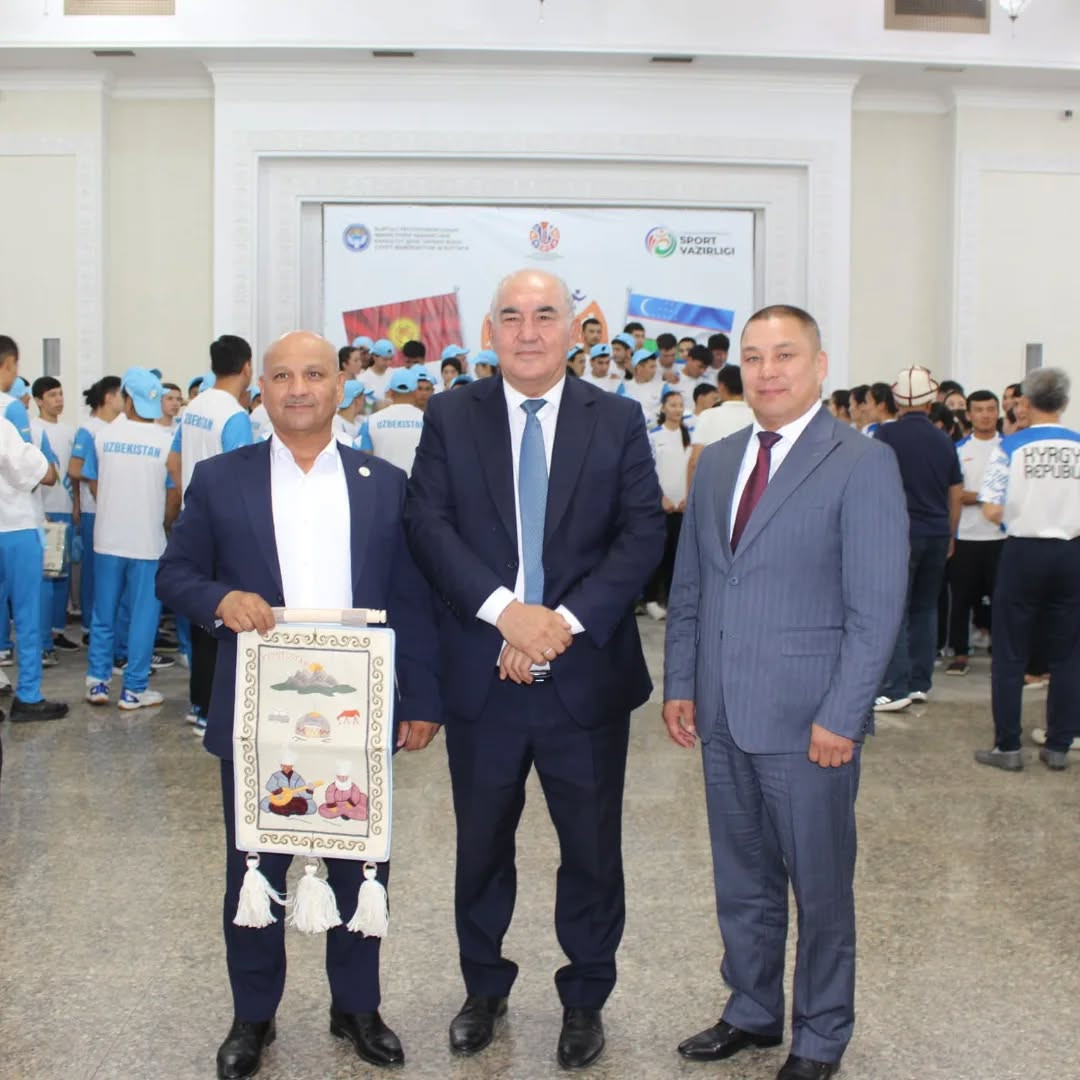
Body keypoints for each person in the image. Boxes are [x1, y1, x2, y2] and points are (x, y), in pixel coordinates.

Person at [156, 330, 441, 1079]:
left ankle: (357, 1007)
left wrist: (423, 697)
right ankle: (253, 1016)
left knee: (360, 864)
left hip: (358, 713)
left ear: (340, 386)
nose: (298, 389)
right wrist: (221, 599)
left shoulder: (384, 482)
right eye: (282, 376)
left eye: (314, 374)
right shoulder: (222, 479)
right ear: (263, 390)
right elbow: (175, 574)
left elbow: (412, 597)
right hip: (260, 715)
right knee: (255, 865)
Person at [405, 269, 664, 1070]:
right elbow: (427, 522)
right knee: (481, 844)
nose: (527, 331)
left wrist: (558, 625)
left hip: (584, 678)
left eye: (544, 314)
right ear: (489, 332)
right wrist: (505, 613)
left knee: (591, 850)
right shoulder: (452, 415)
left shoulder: (616, 418)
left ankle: (585, 997)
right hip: (483, 676)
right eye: (511, 316)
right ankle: (484, 987)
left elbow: (642, 533)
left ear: (574, 329)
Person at [663, 304, 907, 1080]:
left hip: (810, 722)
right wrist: (681, 681)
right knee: (743, 879)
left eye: (786, 355)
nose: (768, 371)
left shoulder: (861, 462)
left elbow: (877, 607)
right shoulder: (719, 460)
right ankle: (752, 1009)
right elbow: (692, 584)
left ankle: (822, 1035)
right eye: (755, 356)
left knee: (821, 888)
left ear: (820, 366)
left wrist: (844, 714)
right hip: (722, 712)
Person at [974, 367, 1080, 772]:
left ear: (1026, 403)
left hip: (1023, 552)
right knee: (1068, 653)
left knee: (1011, 652)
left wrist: (1018, 517)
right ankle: (1059, 744)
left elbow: (991, 508)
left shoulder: (1012, 446)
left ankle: (1008, 746)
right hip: (1071, 552)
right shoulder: (1078, 445)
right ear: (1064, 403)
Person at [168, 335, 255, 733]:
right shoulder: (234, 416)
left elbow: (173, 461)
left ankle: (198, 703)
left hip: (194, 520)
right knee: (224, 617)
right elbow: (241, 478)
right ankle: (214, 710)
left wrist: (188, 502)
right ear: (247, 367)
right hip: (224, 529)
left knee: (201, 614)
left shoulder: (195, 407)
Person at [81, 368, 179, 710]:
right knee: (143, 618)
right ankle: (134, 688)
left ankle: (97, 682)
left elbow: (92, 479)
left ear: (126, 399)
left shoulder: (103, 436)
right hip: (148, 543)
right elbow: (174, 495)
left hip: (107, 538)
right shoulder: (167, 442)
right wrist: (163, 523)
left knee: (103, 613)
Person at [871, 366, 962, 712]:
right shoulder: (943, 439)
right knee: (925, 607)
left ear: (897, 401)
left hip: (898, 534)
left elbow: (872, 485)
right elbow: (955, 493)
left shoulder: (885, 435)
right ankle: (920, 682)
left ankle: (894, 687)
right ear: (931, 401)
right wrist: (950, 533)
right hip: (936, 532)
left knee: (895, 609)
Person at [0, 337, 68, 721]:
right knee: (26, 615)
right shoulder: (9, 413)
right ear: (8, 365)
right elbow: (40, 473)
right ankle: (27, 695)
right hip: (15, 527)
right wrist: (46, 466)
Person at [947, 390, 1003, 676]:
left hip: (1001, 537)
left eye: (990, 409)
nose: (985, 415)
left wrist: (975, 496)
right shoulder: (958, 449)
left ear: (998, 412)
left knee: (1002, 599)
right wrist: (987, 496)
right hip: (966, 536)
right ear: (968, 415)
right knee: (961, 599)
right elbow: (955, 494)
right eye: (979, 410)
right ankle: (960, 653)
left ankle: (1003, 652)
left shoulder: (1008, 447)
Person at [69, 376, 124, 647]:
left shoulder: (119, 428)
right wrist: (81, 501)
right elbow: (74, 469)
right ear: (109, 397)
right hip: (95, 510)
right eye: (121, 395)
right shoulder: (89, 429)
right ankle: (90, 626)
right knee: (93, 571)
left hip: (116, 511)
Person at [644, 388, 690, 620]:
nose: (677, 409)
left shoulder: (689, 436)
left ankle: (674, 600)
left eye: (680, 405)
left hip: (682, 507)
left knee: (677, 556)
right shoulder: (654, 436)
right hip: (660, 506)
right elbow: (648, 471)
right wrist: (662, 498)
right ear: (663, 408)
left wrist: (687, 497)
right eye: (673, 405)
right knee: (656, 555)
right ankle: (651, 600)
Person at [686, 365, 752, 488]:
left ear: (721, 386)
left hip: (713, 488)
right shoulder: (757, 417)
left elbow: (695, 461)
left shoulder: (708, 415)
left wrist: (689, 495)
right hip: (748, 489)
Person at [354, 367, 426, 476]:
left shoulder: (370, 421)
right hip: (418, 484)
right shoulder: (427, 421)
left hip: (383, 483)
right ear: (416, 393)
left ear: (391, 392)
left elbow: (362, 456)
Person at [616, 348, 662, 421]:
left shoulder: (663, 386)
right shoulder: (624, 387)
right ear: (639, 368)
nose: (654, 371)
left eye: (655, 366)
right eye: (651, 367)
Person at [358, 338, 393, 403]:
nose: (388, 363)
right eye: (385, 359)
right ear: (374, 357)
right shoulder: (362, 379)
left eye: (390, 359)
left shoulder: (394, 375)